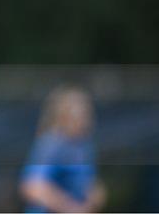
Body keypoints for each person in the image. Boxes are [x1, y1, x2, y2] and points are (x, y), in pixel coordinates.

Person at [19, 85, 106, 213]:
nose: (86, 119)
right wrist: (69, 207)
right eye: (80, 113)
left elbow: (86, 183)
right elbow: (32, 187)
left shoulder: (84, 145)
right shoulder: (51, 145)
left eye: (87, 112)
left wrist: (95, 193)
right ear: (63, 114)